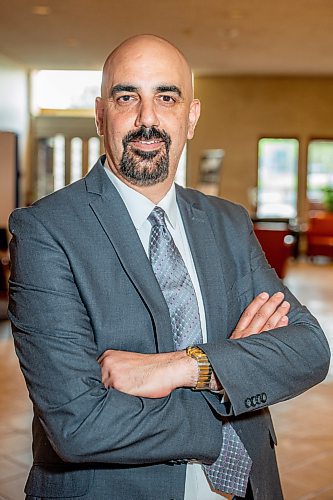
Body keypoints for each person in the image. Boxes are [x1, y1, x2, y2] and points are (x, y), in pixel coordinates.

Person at [9, 34, 330, 500]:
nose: (147, 119)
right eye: (126, 97)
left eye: (166, 96)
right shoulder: (45, 229)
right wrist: (233, 381)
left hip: (247, 487)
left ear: (191, 117)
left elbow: (310, 350)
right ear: (101, 115)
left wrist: (186, 366)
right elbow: (79, 424)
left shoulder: (228, 222)